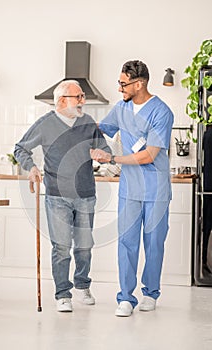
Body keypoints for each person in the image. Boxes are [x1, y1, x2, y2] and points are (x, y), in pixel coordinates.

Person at [14, 80, 111, 312]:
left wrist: (103, 154)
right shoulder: (45, 124)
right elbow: (20, 148)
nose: (82, 101)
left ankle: (82, 284)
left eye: (82, 96)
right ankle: (62, 294)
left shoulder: (87, 122)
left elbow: (105, 150)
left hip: (86, 194)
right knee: (61, 247)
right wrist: (32, 168)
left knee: (85, 246)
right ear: (61, 101)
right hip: (57, 195)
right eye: (78, 97)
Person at [91, 60, 174, 317]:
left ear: (139, 84)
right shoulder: (121, 109)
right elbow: (99, 130)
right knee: (127, 243)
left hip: (155, 188)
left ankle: (150, 293)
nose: (119, 89)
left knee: (154, 243)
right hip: (130, 188)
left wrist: (112, 159)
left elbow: (149, 155)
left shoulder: (162, 112)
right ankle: (126, 297)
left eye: (123, 84)